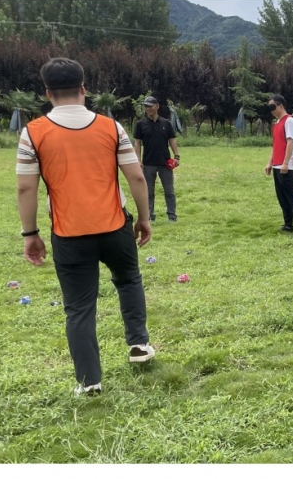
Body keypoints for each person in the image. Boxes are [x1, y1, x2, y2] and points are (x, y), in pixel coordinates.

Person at [16, 58, 154, 396]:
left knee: (78, 308)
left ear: (47, 93)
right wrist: (144, 217)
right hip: (115, 227)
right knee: (129, 280)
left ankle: (89, 381)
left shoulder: (33, 132)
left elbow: (25, 188)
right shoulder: (111, 127)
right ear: (83, 88)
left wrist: (30, 233)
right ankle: (138, 344)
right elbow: (136, 176)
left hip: (69, 234)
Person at [132, 96, 180, 222]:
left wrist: (176, 156)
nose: (148, 108)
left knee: (169, 191)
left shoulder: (166, 123)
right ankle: (150, 216)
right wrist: (138, 160)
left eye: (150, 106)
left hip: (165, 164)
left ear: (157, 106)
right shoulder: (141, 124)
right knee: (149, 192)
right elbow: (137, 143)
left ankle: (172, 216)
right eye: (146, 106)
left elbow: (172, 140)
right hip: (148, 164)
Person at [264, 94, 293, 238]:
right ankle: (288, 224)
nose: (271, 110)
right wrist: (270, 162)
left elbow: (290, 142)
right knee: (281, 197)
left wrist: (286, 163)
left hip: (285, 166)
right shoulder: (277, 123)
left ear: (280, 106)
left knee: (292, 197)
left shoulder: (289, 121)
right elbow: (275, 145)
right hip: (277, 165)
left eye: (272, 107)